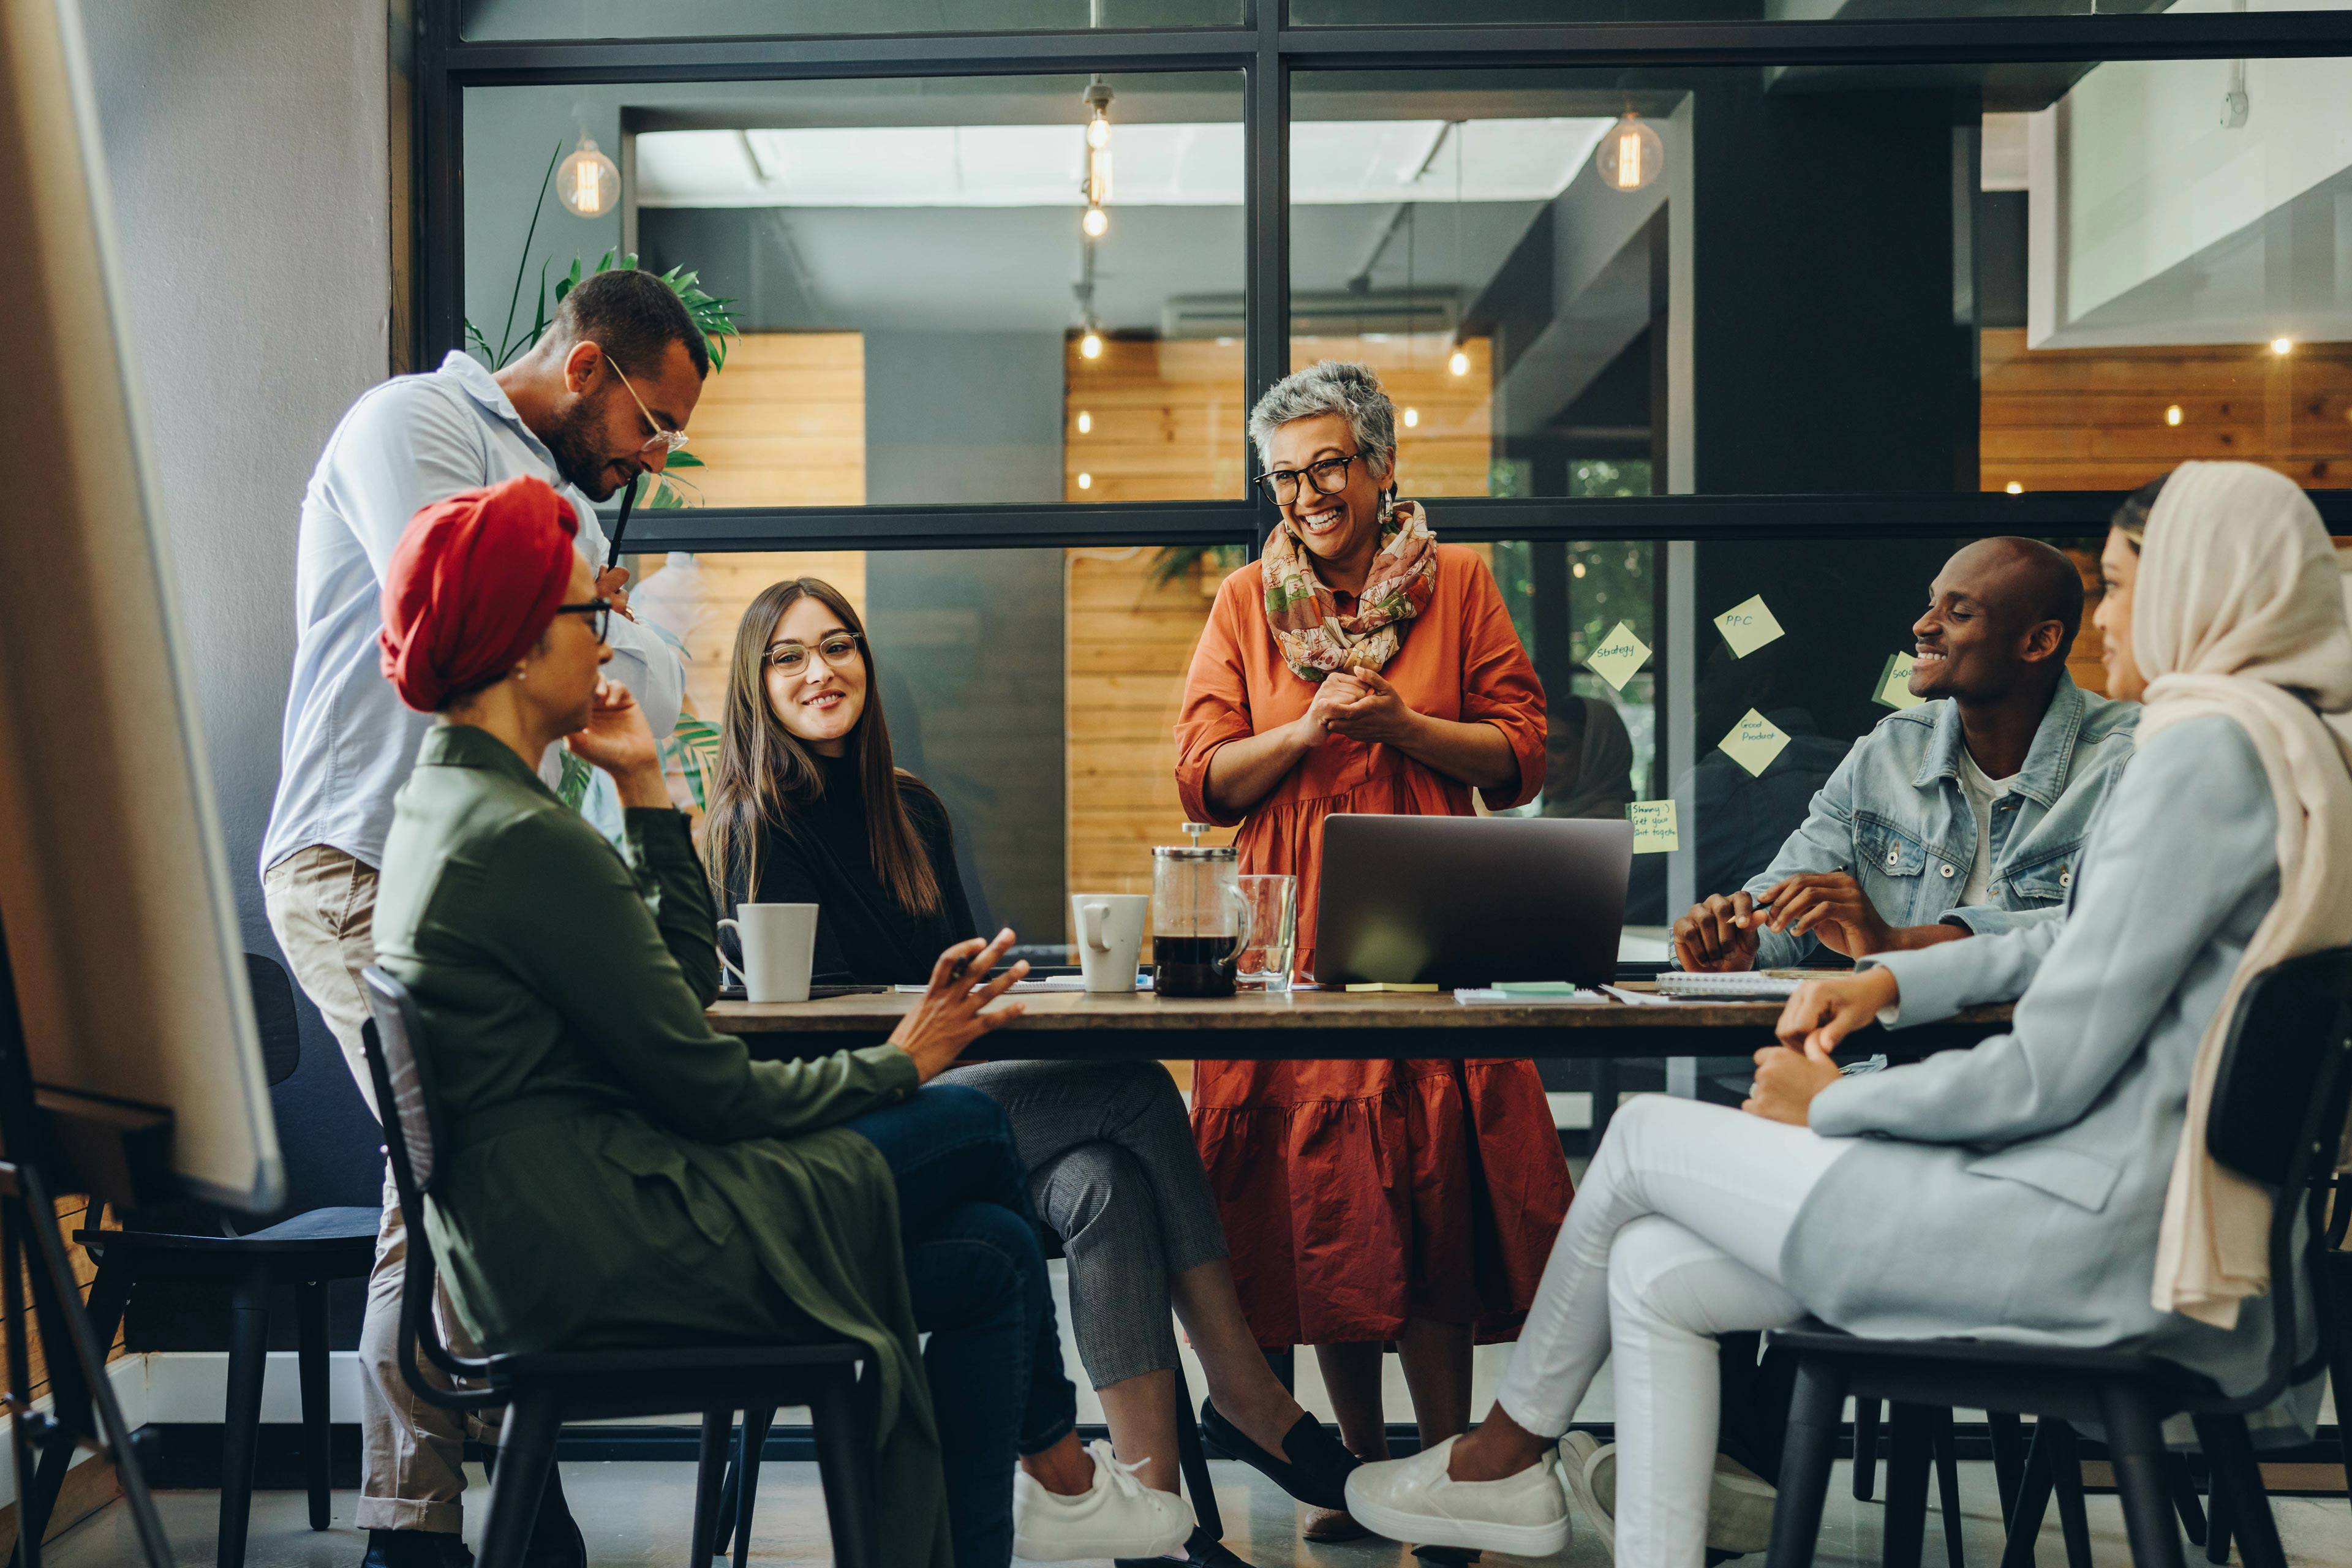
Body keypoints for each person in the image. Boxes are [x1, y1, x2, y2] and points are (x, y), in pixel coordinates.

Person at [1339, 459, 2352, 1568]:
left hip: (2077, 1228)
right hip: (2119, 1206)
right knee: (1650, 1272)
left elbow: (2051, 1066)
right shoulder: (2292, 746)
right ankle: (1577, 1507)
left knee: (1635, 1140)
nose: (2115, 619)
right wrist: (1894, 979)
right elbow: (2077, 942)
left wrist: (1834, 1107)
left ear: (2206, 582)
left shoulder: (2194, 751)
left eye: (2120, 587)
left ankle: (1498, 1459)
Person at [369, 478, 1196, 1568]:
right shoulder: (521, 843)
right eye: (589, 613)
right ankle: (1062, 1472)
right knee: (970, 1130)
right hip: (609, 1249)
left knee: (995, 1253)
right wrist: (902, 1064)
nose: (608, 637)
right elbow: (709, 1086)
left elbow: (672, 988)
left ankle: (1040, 1498)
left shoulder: (452, 814)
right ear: (522, 644)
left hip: (555, 1237)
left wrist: (645, 790)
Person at [703, 577, 1361, 1568]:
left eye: (838, 647)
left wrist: (1015, 983)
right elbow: (819, 1045)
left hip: (947, 1092)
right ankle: (1244, 1391)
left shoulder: (908, 810)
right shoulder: (757, 825)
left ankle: (1153, 1510)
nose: (820, 671)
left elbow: (962, 993)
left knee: (1108, 1183)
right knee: (1138, 1091)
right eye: (788, 657)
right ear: (756, 685)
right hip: (868, 1123)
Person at [257, 268, 699, 1568]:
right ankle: (420, 1524)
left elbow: (641, 694)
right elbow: (471, 615)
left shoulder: (561, 495)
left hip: (471, 880)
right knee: (437, 1160)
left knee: (481, 1156)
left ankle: (504, 1488)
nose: (658, 454)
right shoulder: (411, 423)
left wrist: (599, 616)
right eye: (651, 421)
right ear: (584, 371)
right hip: (358, 863)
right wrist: (592, 609)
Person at [1173, 361, 1570, 1538]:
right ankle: (1357, 1473)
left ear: (1383, 466)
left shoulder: (1458, 584)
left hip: (1431, 899)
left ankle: (1448, 1468)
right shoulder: (1248, 602)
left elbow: (1522, 751)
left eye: (1328, 466)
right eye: (1286, 476)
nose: (1305, 494)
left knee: (1433, 1177)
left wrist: (1400, 723)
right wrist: (1302, 729)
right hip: (1290, 918)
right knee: (1322, 1187)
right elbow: (1200, 781)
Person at [1671, 536, 2136, 974]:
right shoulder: (1887, 751)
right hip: (1890, 1058)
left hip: (2044, 1056)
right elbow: (1786, 898)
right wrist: (1737, 939)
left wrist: (1898, 944)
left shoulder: (2131, 761)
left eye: (1959, 613)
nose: (1923, 625)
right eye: (1931, 602)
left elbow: (2115, 929)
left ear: (2038, 643)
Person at [1540, 695, 1637, 820]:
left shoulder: (1633, 833)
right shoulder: (1540, 825)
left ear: (1599, 753)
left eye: (1559, 747)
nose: (1543, 762)